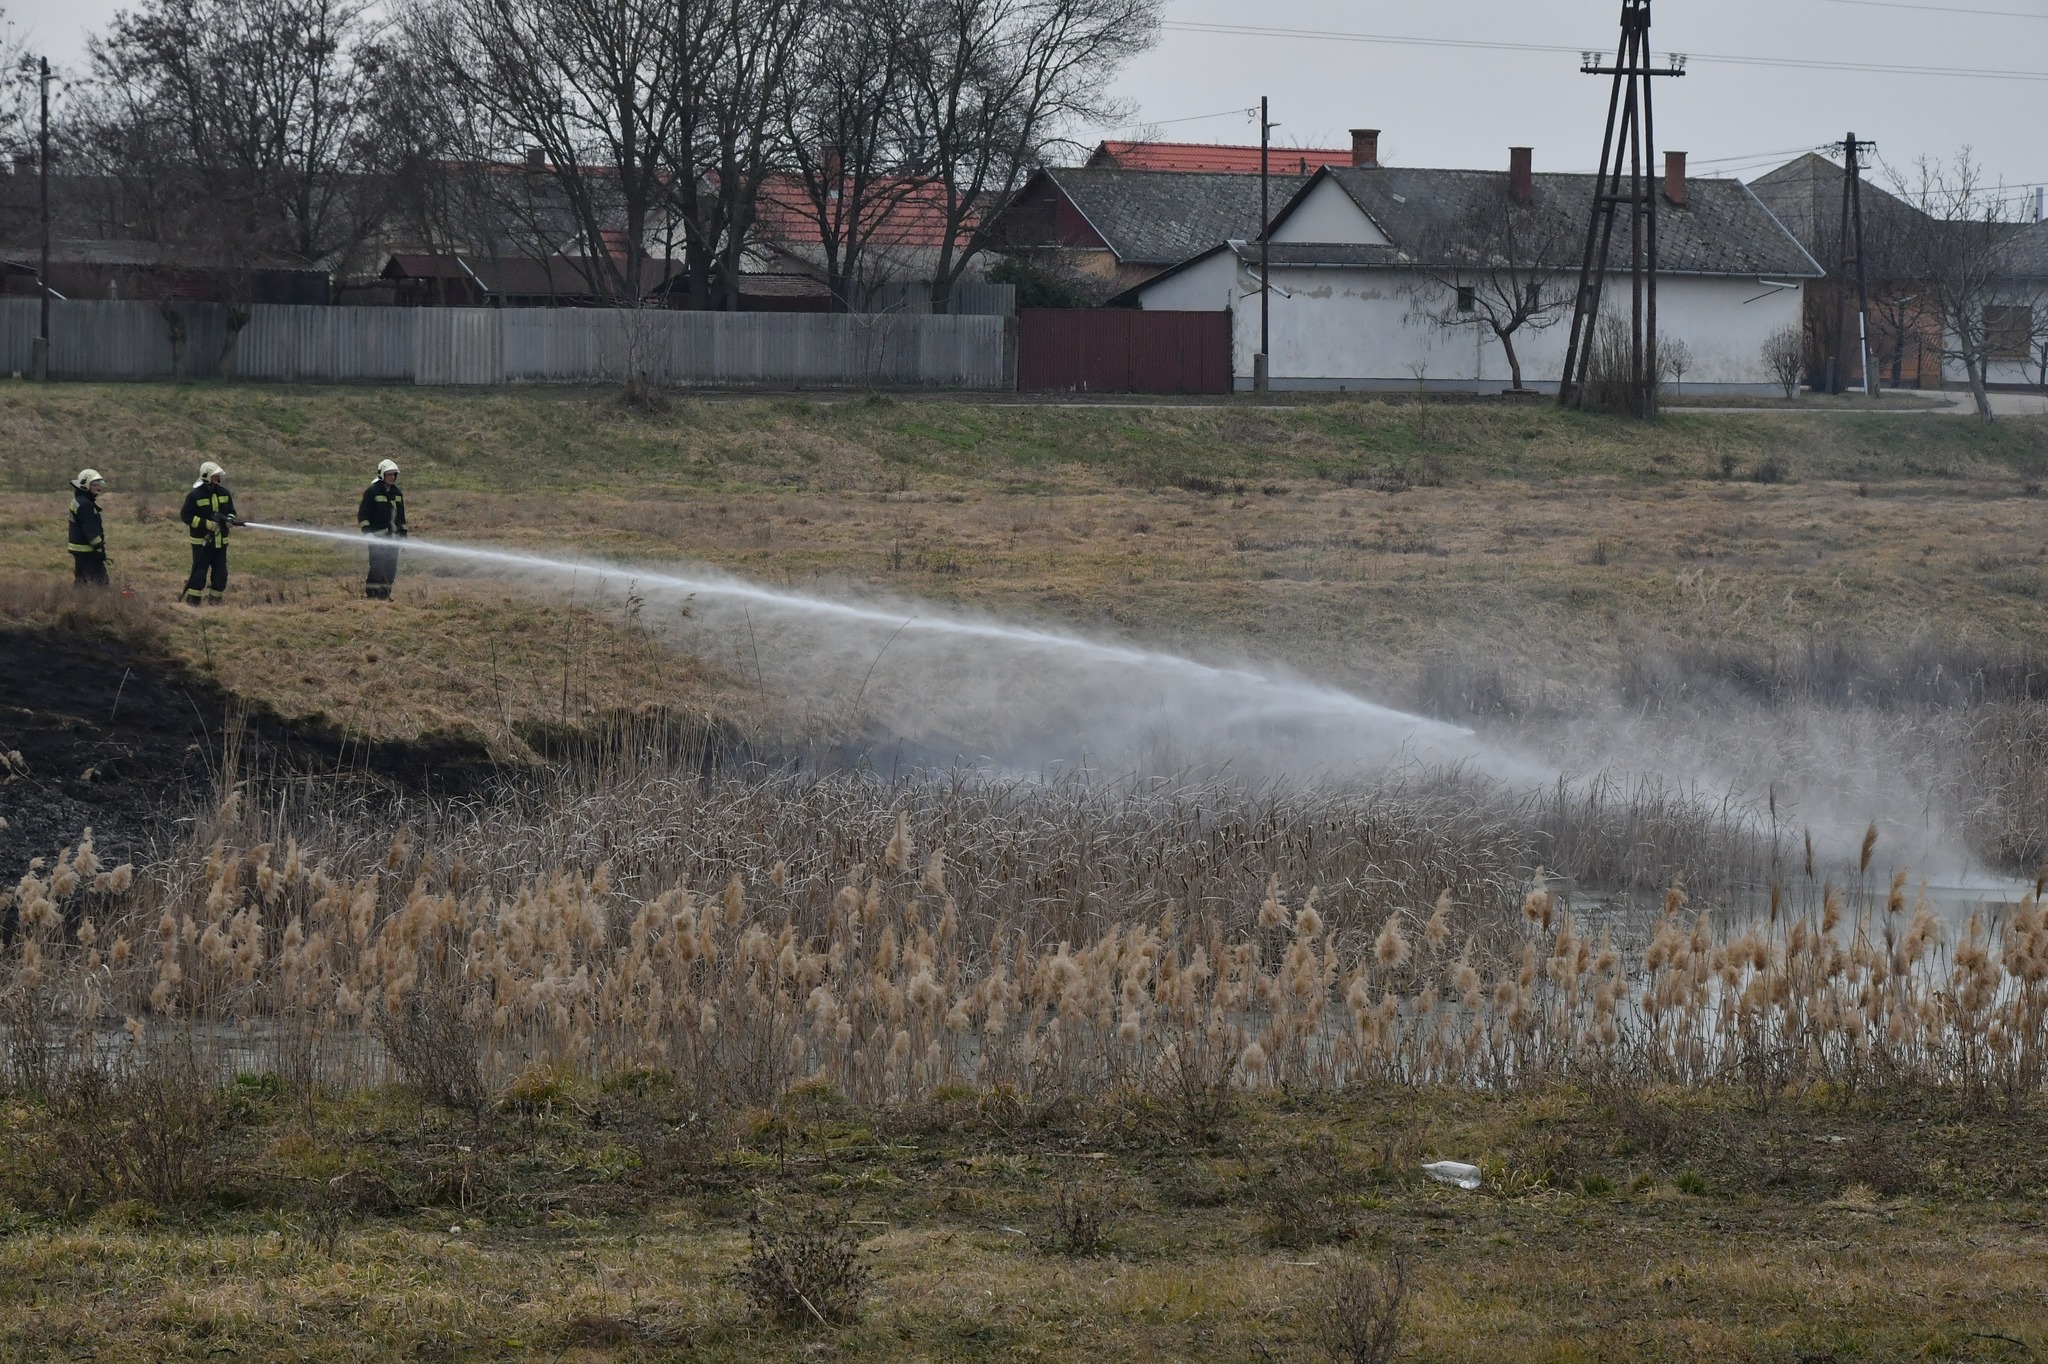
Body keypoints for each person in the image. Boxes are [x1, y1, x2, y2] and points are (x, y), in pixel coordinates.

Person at [179, 460, 238, 605]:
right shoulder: (194, 496)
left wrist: (230, 520)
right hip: (202, 542)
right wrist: (206, 524)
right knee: (199, 573)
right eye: (215, 475)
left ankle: (215, 601)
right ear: (206, 476)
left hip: (220, 542)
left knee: (221, 574)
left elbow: (231, 511)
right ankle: (193, 601)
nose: (218, 478)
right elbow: (186, 516)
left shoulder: (224, 493)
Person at [357, 458, 407, 599]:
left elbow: (401, 518)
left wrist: (403, 536)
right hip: (377, 539)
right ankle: (373, 596)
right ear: (382, 474)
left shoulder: (397, 493)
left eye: (394, 474)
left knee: (391, 569)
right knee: (377, 567)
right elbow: (363, 515)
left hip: (393, 539)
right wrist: (368, 533)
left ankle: (385, 596)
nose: (392, 477)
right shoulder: (372, 492)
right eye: (389, 474)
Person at [67, 469, 109, 586]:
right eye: (94, 485)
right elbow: (89, 529)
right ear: (85, 485)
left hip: (79, 548)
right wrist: (99, 548)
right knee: (101, 583)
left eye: (99, 484)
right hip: (87, 550)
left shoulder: (79, 500)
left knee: (81, 581)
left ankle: (77, 597)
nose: (98, 488)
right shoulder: (85, 505)